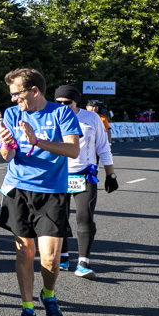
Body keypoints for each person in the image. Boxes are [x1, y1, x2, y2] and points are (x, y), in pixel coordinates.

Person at [0, 68, 81, 316]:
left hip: (52, 192)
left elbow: (73, 149)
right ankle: (27, 310)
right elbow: (6, 156)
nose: (12, 100)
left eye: (16, 93)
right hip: (18, 189)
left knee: (51, 259)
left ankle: (49, 295)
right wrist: (6, 145)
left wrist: (38, 141)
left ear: (34, 90)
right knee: (24, 252)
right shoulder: (12, 115)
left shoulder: (61, 112)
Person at [53, 85, 118, 277]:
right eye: (59, 103)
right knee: (58, 217)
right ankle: (63, 256)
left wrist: (110, 175)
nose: (63, 106)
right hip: (58, 175)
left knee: (84, 217)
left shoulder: (92, 118)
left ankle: (83, 262)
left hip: (84, 174)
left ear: (76, 102)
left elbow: (103, 148)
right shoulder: (50, 117)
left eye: (68, 103)